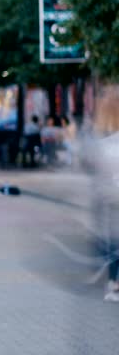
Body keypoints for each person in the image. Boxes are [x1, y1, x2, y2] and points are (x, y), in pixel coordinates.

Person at [81, 90, 119, 302]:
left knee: (113, 239)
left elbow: (91, 166)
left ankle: (113, 283)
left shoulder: (101, 142)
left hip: (109, 197)